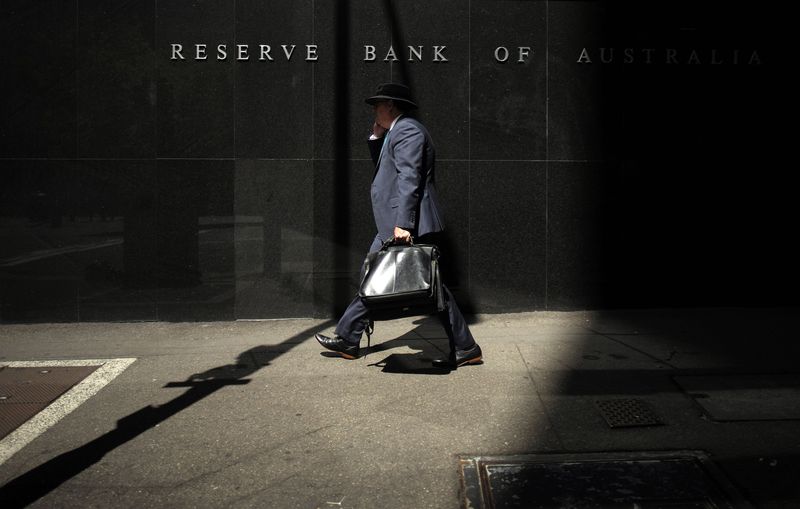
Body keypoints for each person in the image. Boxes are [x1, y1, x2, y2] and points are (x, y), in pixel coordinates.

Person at [315, 83, 482, 369]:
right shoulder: (397, 132)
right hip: (394, 222)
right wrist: (376, 137)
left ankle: (348, 337)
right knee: (411, 283)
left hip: (404, 224)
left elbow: (409, 178)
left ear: (390, 106)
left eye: (377, 105)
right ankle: (465, 347)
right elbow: (388, 169)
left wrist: (403, 224)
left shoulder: (408, 131)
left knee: (408, 283)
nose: (374, 110)